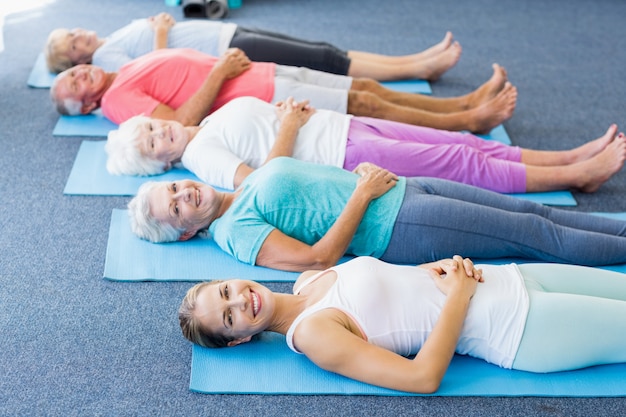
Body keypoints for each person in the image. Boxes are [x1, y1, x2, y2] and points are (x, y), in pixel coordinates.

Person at [177, 255, 626, 394]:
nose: (240, 300)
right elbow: (422, 377)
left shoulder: (309, 279)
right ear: (239, 340)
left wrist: (439, 269)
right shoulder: (314, 334)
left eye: (224, 293)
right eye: (229, 317)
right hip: (517, 325)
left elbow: (397, 284)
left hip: (511, 276)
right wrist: (461, 296)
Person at [127, 156, 626, 272]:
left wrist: (359, 176)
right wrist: (362, 195)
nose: (182, 196)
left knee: (533, 210)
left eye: (173, 187)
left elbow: (309, 187)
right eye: (173, 209)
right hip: (400, 224)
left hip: (400, 188)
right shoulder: (232, 232)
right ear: (187, 233)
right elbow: (318, 259)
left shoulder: (241, 186)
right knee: (536, 235)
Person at [106, 95, 625, 194]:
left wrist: (287, 115)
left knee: (462, 141)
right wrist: (287, 125)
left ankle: (570, 156)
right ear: (160, 164)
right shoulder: (201, 158)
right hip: (345, 157)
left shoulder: (207, 124)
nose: (159, 134)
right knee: (461, 164)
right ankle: (575, 176)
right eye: (151, 145)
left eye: (150, 128)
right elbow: (263, 181)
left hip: (346, 127)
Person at [49, 47, 515, 131]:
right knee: (367, 104)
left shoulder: (121, 69)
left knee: (367, 86)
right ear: (87, 104)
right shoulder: (114, 102)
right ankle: (468, 121)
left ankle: (463, 102)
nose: (77, 76)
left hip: (261, 73)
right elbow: (180, 122)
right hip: (259, 96)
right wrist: (221, 71)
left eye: (71, 72)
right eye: (72, 85)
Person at [44, 12, 461, 81]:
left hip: (227, 32)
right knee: (324, 60)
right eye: (73, 43)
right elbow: (150, 67)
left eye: (74, 31)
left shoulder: (108, 38)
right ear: (78, 60)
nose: (81, 36)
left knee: (324, 48)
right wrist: (161, 32)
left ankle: (417, 60)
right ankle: (418, 69)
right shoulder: (104, 58)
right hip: (227, 49)